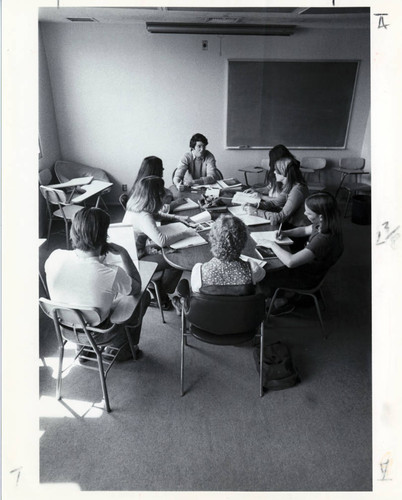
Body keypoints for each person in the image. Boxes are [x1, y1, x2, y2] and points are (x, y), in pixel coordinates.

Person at [45, 207, 150, 360]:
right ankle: (124, 349)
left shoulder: (55, 256)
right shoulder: (112, 273)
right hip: (99, 335)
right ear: (104, 236)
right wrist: (124, 253)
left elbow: (76, 277)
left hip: (65, 328)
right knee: (143, 296)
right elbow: (137, 287)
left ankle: (82, 349)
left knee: (81, 297)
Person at [258, 192, 343, 315]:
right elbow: (304, 230)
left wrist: (271, 244)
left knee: (264, 274)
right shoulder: (323, 224)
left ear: (321, 216)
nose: (304, 214)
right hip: (309, 268)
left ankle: (284, 300)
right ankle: (286, 295)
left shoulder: (323, 239)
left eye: (308, 213)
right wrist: (286, 233)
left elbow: (291, 262)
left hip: (308, 277)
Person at [122, 175, 194, 307]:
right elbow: (161, 241)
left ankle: (159, 291)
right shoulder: (143, 216)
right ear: (154, 197)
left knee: (173, 252)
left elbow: (157, 215)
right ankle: (161, 291)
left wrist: (177, 218)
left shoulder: (136, 205)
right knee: (178, 259)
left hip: (135, 250)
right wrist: (186, 233)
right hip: (136, 258)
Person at [190, 214, 266, 294]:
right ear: (243, 241)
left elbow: (196, 290)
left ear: (212, 239)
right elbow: (262, 274)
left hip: (211, 306)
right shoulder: (253, 270)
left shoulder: (199, 271)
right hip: (241, 306)